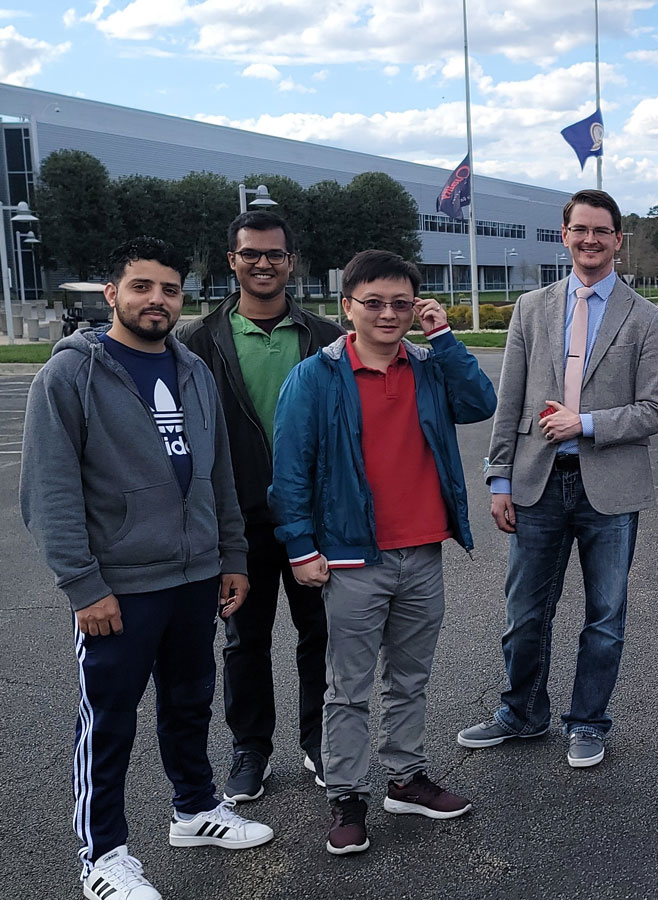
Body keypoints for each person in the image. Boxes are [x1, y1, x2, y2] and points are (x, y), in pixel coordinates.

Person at [22, 237, 273, 900]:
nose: (156, 300)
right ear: (112, 294)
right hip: (119, 588)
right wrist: (83, 586)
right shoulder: (72, 373)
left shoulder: (192, 369)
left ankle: (195, 810)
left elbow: (218, 474)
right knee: (107, 722)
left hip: (194, 578)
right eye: (141, 287)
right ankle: (101, 857)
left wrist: (232, 555)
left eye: (168, 289)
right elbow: (50, 491)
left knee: (190, 703)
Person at [270, 250, 496, 856]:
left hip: (421, 551)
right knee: (348, 685)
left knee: (410, 676)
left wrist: (443, 336)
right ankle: (346, 793)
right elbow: (290, 470)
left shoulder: (427, 367)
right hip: (351, 559)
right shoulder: (315, 378)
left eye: (401, 303)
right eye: (373, 302)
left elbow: (480, 404)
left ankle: (405, 776)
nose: (388, 314)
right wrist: (299, 547)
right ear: (347, 307)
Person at [458, 189, 658, 769]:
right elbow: (512, 400)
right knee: (525, 611)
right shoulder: (532, 308)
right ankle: (522, 713)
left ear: (617, 241)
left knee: (605, 616)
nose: (590, 240)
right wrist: (498, 476)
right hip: (538, 483)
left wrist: (591, 423)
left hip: (610, 486)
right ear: (565, 234)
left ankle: (588, 722)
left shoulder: (647, 318)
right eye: (581, 229)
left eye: (602, 231)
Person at [177, 210, 346, 802]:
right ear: (233, 261)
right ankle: (251, 749)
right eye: (251, 253)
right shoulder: (197, 343)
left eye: (275, 254)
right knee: (244, 641)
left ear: (290, 263)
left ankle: (319, 740)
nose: (264, 264)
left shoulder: (326, 340)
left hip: (314, 520)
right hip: (237, 522)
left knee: (319, 632)